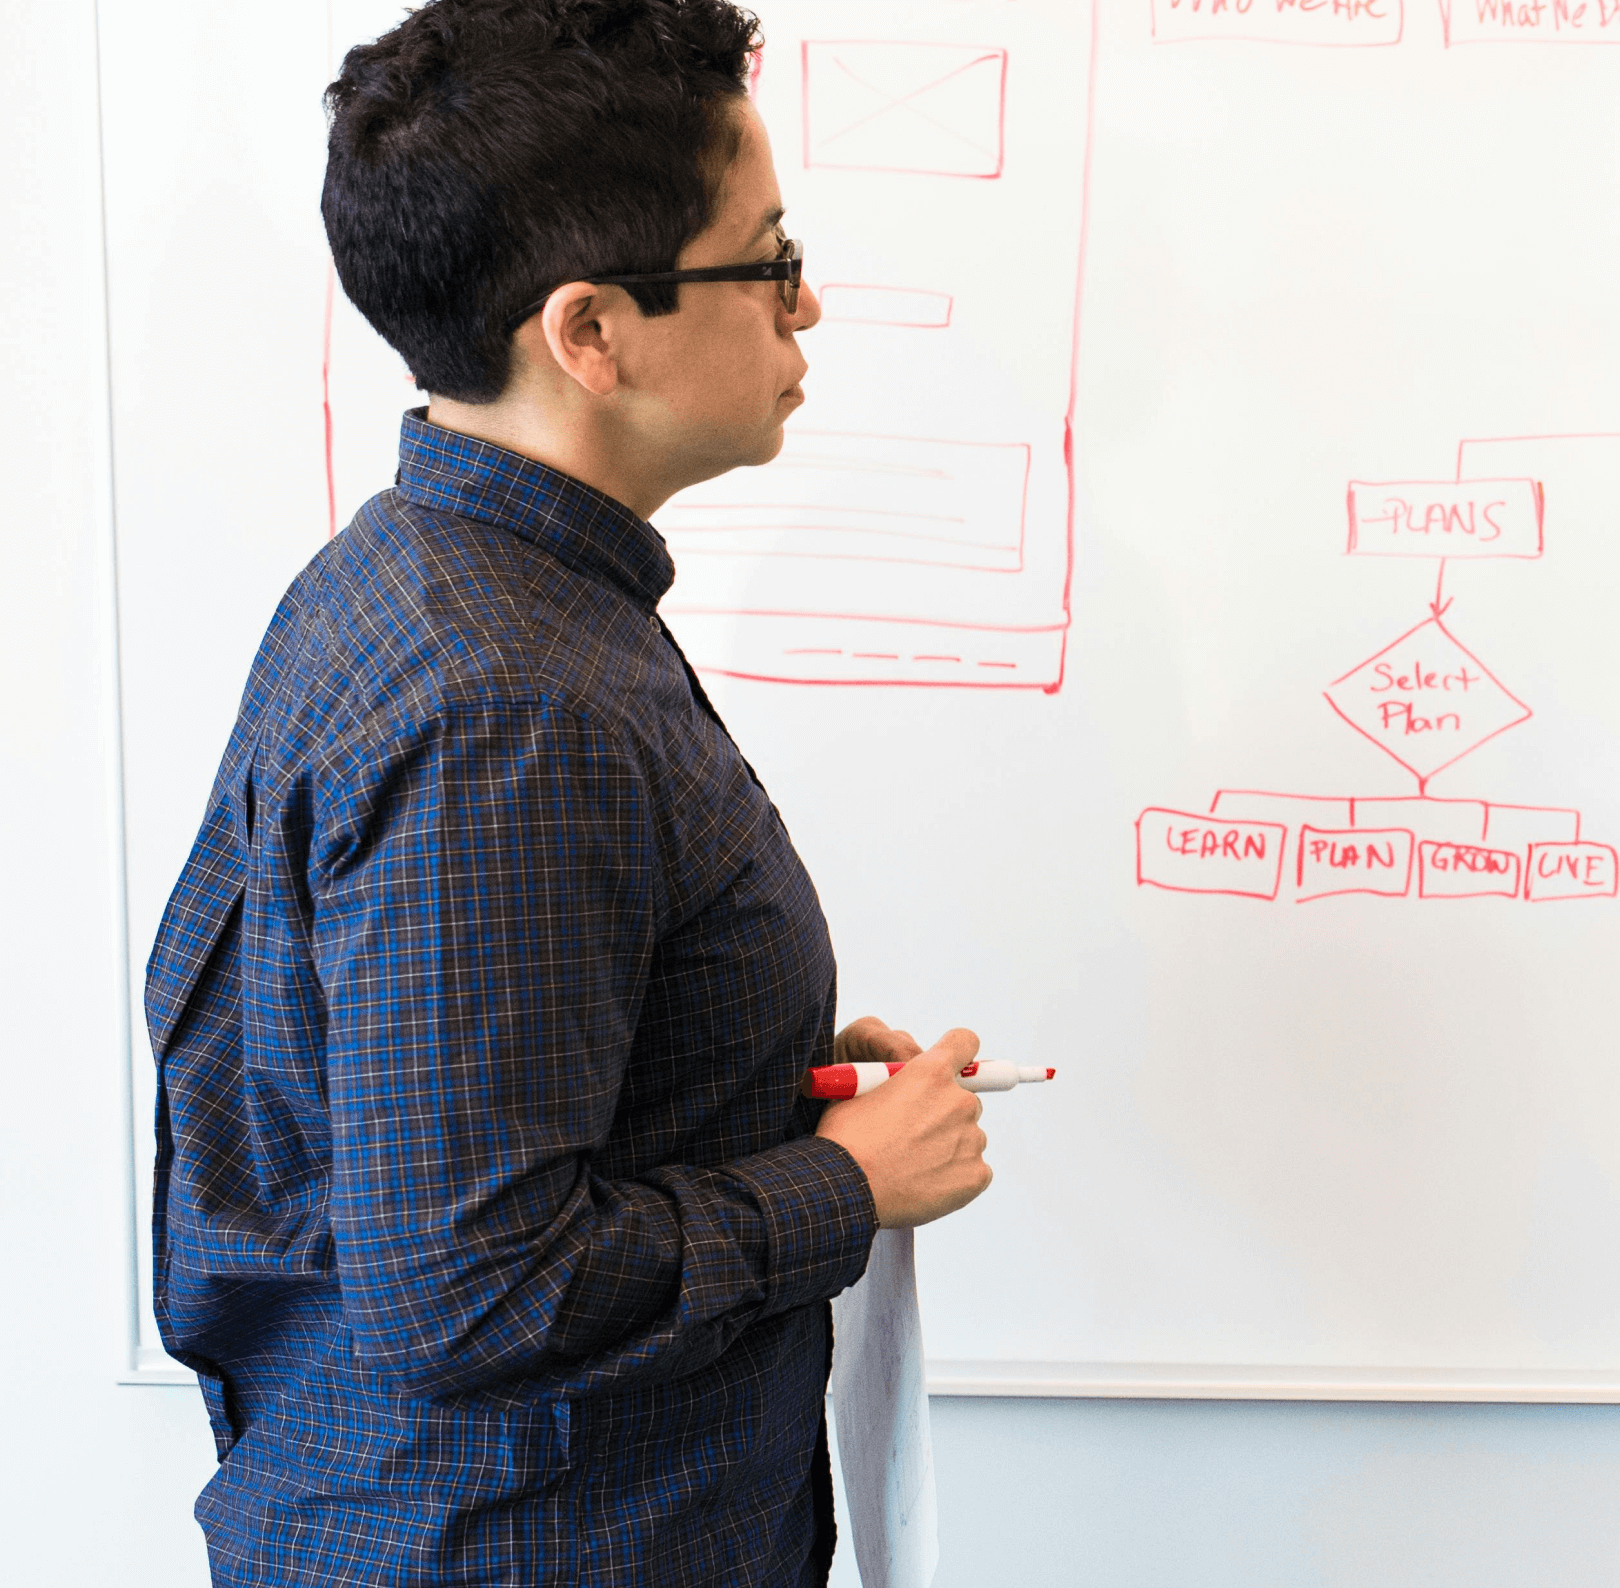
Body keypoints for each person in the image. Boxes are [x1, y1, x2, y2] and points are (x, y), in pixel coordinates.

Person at [142, 3, 996, 1582]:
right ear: (590, 331)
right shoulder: (507, 704)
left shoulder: (447, 589)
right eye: (768, 257)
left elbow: (440, 1098)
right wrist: (842, 1187)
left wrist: (749, 1062)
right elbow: (472, 1286)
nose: (808, 304)